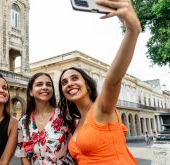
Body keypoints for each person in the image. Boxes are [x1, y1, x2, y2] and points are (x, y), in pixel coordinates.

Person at [57, 0, 142, 164]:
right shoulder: (77, 121)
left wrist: (132, 30)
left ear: (87, 84)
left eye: (75, 78)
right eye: (64, 82)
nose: (69, 84)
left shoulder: (102, 108)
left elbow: (113, 80)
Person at [15, 72, 74, 165]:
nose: (45, 87)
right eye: (39, 84)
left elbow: (75, 151)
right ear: (31, 92)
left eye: (48, 84)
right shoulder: (23, 121)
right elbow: (24, 156)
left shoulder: (65, 115)